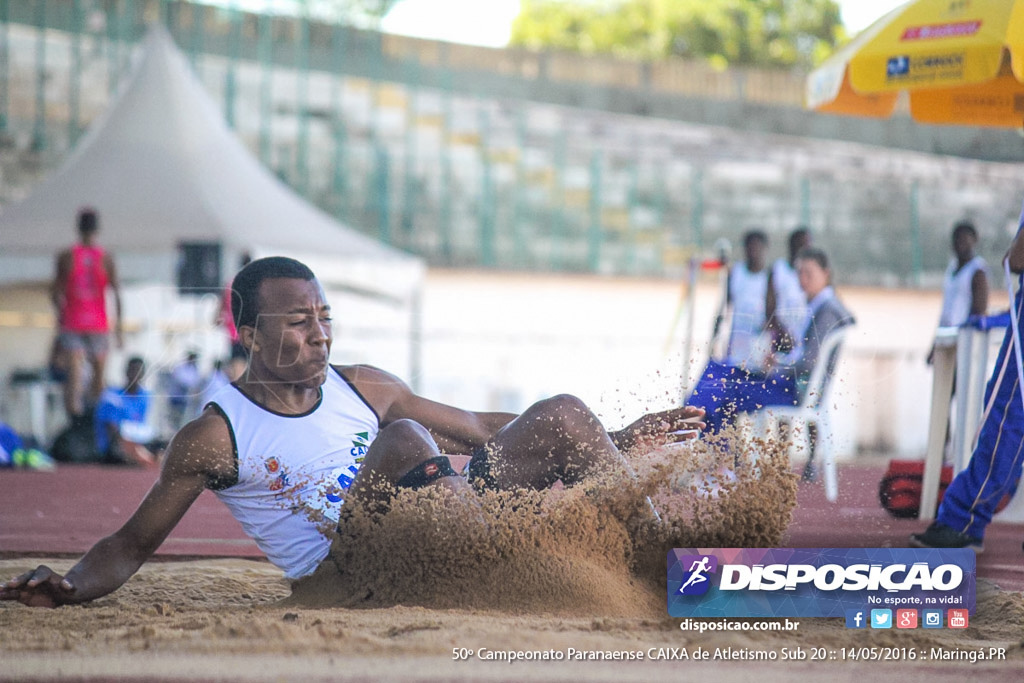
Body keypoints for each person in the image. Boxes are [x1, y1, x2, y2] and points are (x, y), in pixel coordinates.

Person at [1, 256, 705, 607]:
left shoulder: (363, 383)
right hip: (349, 576)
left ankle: (668, 574)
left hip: (443, 529)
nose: (320, 332)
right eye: (298, 320)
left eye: (324, 315)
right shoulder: (216, 436)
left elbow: (479, 430)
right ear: (249, 334)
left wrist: (611, 433)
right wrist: (69, 583)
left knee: (562, 411)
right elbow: (130, 542)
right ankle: (514, 568)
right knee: (401, 442)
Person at [911, 208, 1024, 552]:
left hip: (982, 341)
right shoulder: (952, 271)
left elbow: (1017, 261)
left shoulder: (976, 271)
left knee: (1006, 416)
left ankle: (964, 519)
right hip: (954, 340)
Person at [689, 247, 855, 437]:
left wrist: (775, 368)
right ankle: (713, 449)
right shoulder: (818, 306)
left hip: (794, 392)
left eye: (809, 273)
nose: (803, 279)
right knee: (717, 371)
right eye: (799, 273)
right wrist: (778, 360)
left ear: (825, 274)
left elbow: (809, 363)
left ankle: (699, 435)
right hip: (786, 384)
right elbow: (802, 356)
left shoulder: (828, 311)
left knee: (720, 388)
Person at [51, 207, 123, 422]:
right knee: (97, 379)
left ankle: (77, 421)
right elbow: (117, 294)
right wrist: (119, 330)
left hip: (74, 322)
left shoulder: (67, 256)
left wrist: (61, 317)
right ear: (97, 229)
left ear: (78, 227)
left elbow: (55, 293)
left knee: (74, 377)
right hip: (96, 324)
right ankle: (92, 423)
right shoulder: (105, 257)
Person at [927, 220, 991, 363]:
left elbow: (979, 310)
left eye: (965, 239)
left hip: (965, 340)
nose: (960, 243)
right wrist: (934, 345)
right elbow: (945, 311)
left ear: (974, 241)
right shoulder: (952, 269)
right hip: (947, 338)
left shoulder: (977, 271)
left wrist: (968, 338)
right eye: (957, 239)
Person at [712, 230, 770, 371]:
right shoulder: (736, 272)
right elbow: (725, 305)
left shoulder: (769, 277)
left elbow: (772, 311)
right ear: (745, 248)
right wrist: (715, 335)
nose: (754, 251)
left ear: (764, 249)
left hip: (758, 340)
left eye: (757, 247)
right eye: (750, 247)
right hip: (737, 338)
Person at [94, 356, 157, 467]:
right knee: (121, 450)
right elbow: (111, 428)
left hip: (135, 441)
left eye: (138, 372)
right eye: (132, 370)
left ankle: (142, 457)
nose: (135, 375)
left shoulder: (145, 396)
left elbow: (140, 425)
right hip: (114, 444)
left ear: (143, 375)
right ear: (126, 372)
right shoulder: (111, 394)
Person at [765, 227, 812, 355]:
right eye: (800, 244)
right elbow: (769, 307)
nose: (804, 248)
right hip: (782, 339)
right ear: (791, 246)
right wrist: (783, 333)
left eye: (807, 245)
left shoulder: (812, 274)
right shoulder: (778, 269)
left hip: (805, 338)